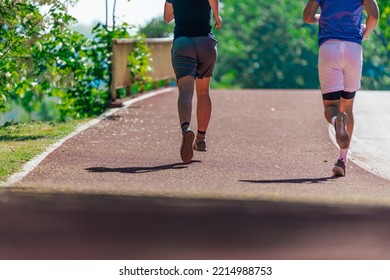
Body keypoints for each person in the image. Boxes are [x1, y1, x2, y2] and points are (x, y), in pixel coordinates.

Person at [303, 0, 379, 176]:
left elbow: (307, 17)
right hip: (353, 49)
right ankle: (342, 160)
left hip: (329, 48)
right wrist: (366, 31)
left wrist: (321, 18)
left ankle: (337, 121)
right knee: (348, 106)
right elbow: (373, 16)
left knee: (331, 107)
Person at [164, 0, 222, 163]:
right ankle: (201, 138)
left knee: (185, 91)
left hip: (183, 42)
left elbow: (167, 17)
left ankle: (186, 129)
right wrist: (217, 16)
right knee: (203, 92)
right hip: (206, 42)